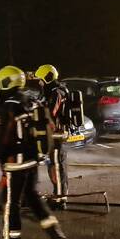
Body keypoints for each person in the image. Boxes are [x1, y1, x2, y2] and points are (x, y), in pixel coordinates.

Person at [0, 65, 66, 239]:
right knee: (32, 196)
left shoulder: (8, 106)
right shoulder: (31, 101)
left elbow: (3, 137)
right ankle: (54, 230)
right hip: (32, 161)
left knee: (11, 202)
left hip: (16, 163)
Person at [32, 64, 72, 208]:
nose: (39, 83)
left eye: (41, 79)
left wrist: (37, 110)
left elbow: (51, 112)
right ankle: (57, 194)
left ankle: (61, 199)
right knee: (52, 166)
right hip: (51, 135)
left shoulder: (57, 93)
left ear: (48, 78)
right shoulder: (49, 92)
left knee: (57, 167)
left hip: (57, 135)